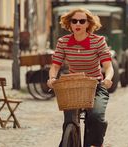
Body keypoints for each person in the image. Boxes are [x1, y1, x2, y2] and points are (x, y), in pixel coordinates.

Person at [47, 8, 114, 147]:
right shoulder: (63, 42)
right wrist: (52, 78)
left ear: (88, 24)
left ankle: (95, 144)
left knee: (96, 118)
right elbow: (55, 66)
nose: (78, 23)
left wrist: (108, 78)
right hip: (73, 87)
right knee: (69, 122)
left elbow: (108, 66)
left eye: (82, 21)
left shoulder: (98, 41)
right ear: (69, 23)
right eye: (74, 21)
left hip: (96, 86)